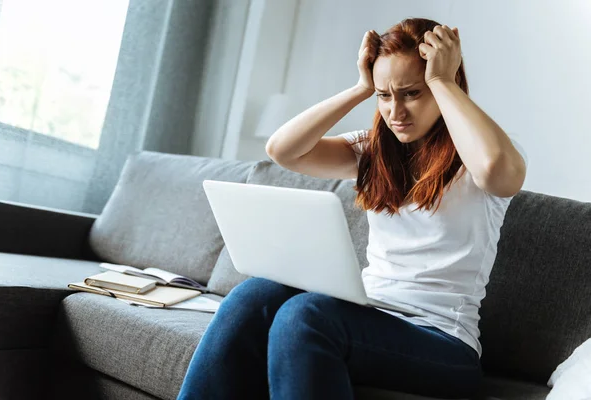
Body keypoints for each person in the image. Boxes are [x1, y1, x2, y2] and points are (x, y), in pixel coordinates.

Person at [177, 17, 528, 400]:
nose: (396, 111)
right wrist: (361, 88)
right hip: (371, 313)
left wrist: (443, 80)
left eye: (412, 93)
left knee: (304, 317)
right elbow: (282, 150)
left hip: (443, 342)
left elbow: (498, 169)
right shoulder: (372, 152)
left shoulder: (480, 156)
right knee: (254, 295)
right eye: (384, 95)